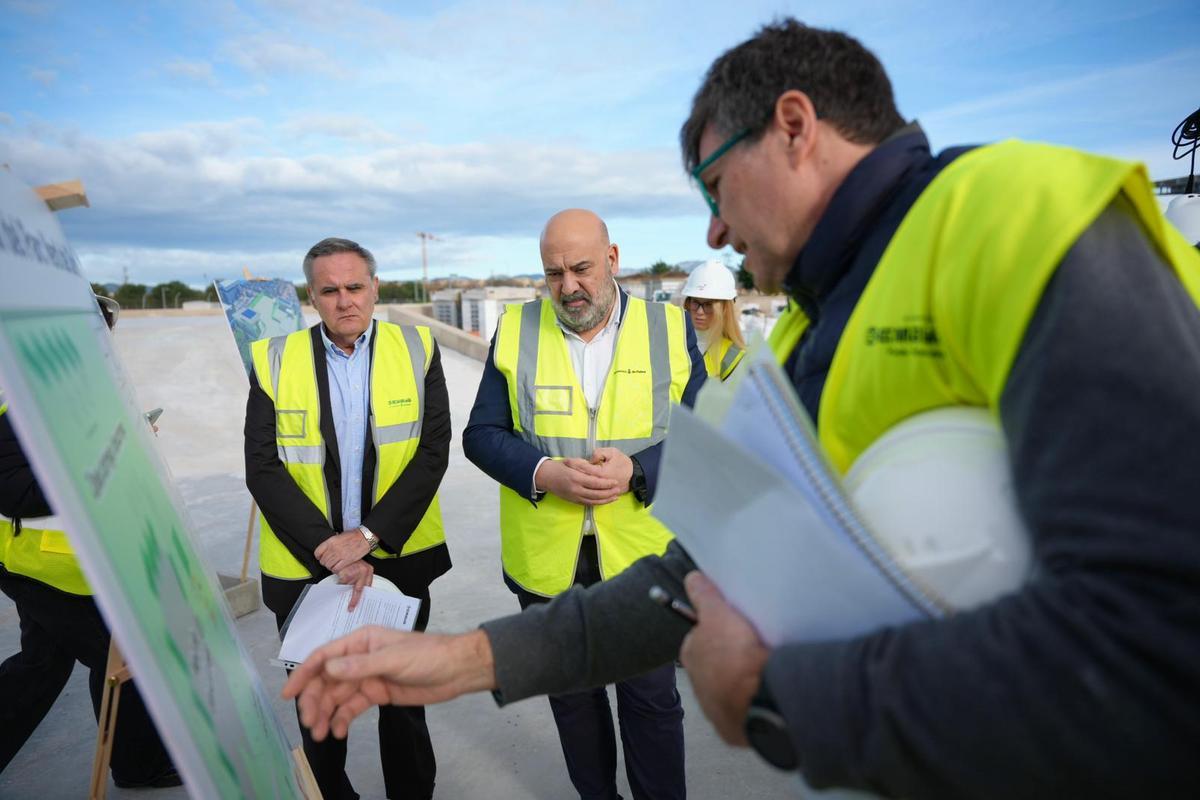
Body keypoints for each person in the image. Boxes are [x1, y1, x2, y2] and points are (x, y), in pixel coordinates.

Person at [284, 20, 1200, 800]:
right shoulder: (811, 333)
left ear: (794, 126)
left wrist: (779, 691)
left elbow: (1158, 639)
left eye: (714, 187)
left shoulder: (1017, 219)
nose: (714, 230)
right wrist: (461, 661)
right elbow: (704, 570)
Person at [459, 208, 706, 800]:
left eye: (581, 269)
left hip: (642, 555)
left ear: (613, 259)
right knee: (573, 700)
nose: (568, 286)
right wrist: (545, 472)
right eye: (553, 273)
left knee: (650, 701)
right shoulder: (516, 330)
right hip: (549, 560)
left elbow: (708, 431)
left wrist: (640, 469)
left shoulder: (668, 328)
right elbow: (481, 433)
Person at [245, 237, 451, 800]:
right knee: (321, 706)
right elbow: (262, 468)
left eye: (355, 287)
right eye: (329, 290)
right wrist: (330, 548)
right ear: (311, 296)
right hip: (306, 564)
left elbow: (433, 452)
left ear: (375, 287)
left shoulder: (418, 348)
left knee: (401, 702)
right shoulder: (274, 358)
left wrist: (365, 538)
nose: (344, 301)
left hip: (397, 556)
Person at [0, 295, 180, 788]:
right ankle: (138, 765)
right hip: (48, 568)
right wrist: (106, 460)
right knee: (127, 658)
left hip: (73, 565)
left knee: (41, 667)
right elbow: (15, 491)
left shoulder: (74, 389)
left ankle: (134, 762)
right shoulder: (17, 400)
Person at [679, 260, 745, 380]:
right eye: (695, 302)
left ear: (725, 308)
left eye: (708, 305)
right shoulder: (673, 343)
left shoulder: (733, 355)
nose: (699, 311)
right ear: (688, 303)